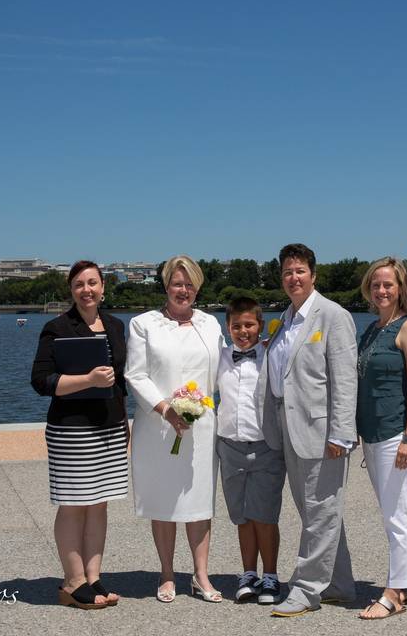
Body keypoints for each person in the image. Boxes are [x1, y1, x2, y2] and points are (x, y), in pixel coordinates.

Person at [257, 243, 359, 618]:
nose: (293, 277)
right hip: (289, 429)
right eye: (286, 272)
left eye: (299, 271)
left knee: (320, 510)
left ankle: (306, 589)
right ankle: (339, 583)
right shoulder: (283, 319)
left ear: (313, 275)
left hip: (322, 432)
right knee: (318, 511)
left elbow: (345, 380)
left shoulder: (333, 316)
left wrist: (341, 433)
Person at [125, 255, 225, 603]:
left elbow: (224, 368)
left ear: (197, 288)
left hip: (202, 425)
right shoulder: (143, 324)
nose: (184, 290)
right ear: (166, 286)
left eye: (190, 284)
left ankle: (201, 575)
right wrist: (166, 408)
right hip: (159, 425)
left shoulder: (211, 324)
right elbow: (135, 374)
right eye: (177, 283)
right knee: (164, 499)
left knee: (200, 501)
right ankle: (167, 574)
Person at [30, 260, 128, 610]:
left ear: (103, 287)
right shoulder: (56, 328)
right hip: (71, 430)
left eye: (92, 283)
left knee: (98, 504)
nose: (86, 290)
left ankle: (94, 575)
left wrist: (125, 423)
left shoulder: (116, 326)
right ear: (71, 290)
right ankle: (72, 582)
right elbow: (41, 382)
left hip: (110, 427)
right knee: (73, 504)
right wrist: (88, 380)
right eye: (78, 285)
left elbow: (121, 381)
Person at [355, 257, 407, 619]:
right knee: (400, 509)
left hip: (395, 435)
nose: (382, 290)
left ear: (401, 288)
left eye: (388, 284)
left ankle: (394, 593)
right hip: (370, 434)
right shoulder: (372, 329)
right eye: (376, 285)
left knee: (397, 516)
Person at [215, 296, 287, 605]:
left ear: (259, 325)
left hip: (265, 446)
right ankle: (248, 573)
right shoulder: (220, 357)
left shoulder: (272, 354)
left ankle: (270, 574)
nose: (243, 331)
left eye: (249, 325)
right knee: (242, 515)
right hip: (229, 445)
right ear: (227, 328)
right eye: (236, 326)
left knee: (265, 515)